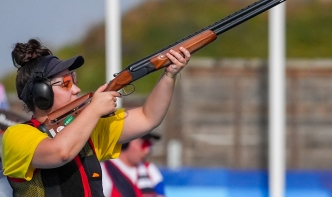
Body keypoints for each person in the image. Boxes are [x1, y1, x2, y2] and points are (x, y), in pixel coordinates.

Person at [1, 38, 190, 197]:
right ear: (42, 93)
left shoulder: (88, 129)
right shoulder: (16, 136)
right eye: (66, 84)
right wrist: (94, 110)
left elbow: (148, 117)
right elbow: (60, 152)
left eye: (73, 79)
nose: (76, 89)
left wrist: (169, 75)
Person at [101, 133, 165, 197]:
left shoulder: (150, 169)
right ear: (126, 142)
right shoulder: (104, 171)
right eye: (144, 144)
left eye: (149, 145)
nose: (147, 151)